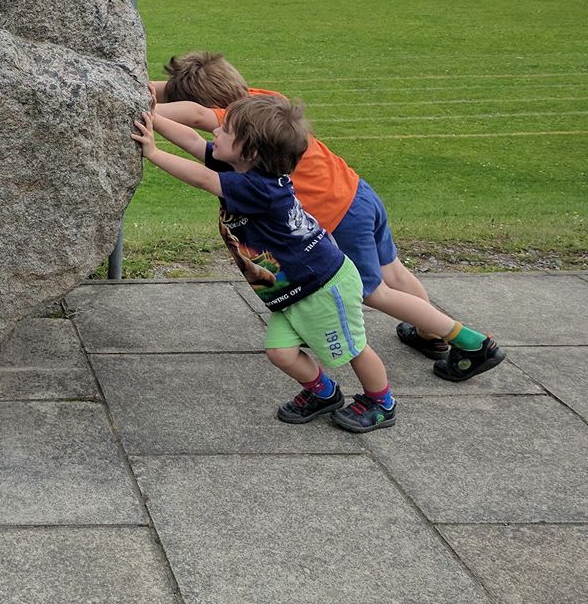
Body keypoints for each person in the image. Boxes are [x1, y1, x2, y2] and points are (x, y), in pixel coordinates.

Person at [150, 51, 504, 383]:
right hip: (357, 194)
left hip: (337, 217)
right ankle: (430, 334)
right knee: (393, 271)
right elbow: (194, 115)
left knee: (374, 292)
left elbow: (198, 117)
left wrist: (139, 105)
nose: (215, 132)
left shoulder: (240, 126)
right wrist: (143, 88)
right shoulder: (265, 105)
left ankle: (471, 342)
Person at [131, 97, 396, 433]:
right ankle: (325, 393)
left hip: (323, 287)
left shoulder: (260, 189)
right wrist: (151, 117)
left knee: (353, 348)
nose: (215, 130)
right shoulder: (242, 167)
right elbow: (195, 143)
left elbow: (202, 179)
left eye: (226, 131)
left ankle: (381, 401)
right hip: (296, 290)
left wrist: (153, 153)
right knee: (280, 352)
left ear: (250, 151)